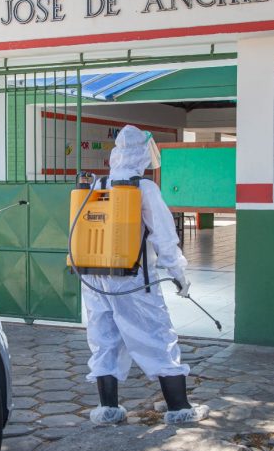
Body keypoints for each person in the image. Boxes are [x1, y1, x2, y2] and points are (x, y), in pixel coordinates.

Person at [82, 125, 209, 425]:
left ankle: (108, 408)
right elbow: (164, 238)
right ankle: (179, 407)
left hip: (96, 276)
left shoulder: (98, 184)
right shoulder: (143, 188)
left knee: (104, 338)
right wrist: (179, 272)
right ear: (141, 154)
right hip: (134, 279)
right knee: (157, 335)